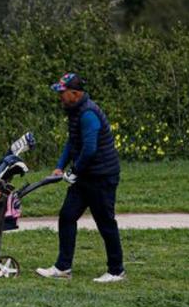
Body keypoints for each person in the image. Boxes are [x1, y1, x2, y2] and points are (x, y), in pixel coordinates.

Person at [35, 72, 125, 283]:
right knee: (67, 216)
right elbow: (73, 142)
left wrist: (74, 171)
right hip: (86, 176)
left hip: (102, 176)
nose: (60, 97)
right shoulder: (75, 111)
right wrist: (60, 167)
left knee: (105, 222)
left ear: (75, 93)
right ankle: (63, 267)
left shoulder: (88, 114)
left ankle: (116, 270)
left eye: (62, 93)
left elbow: (90, 149)